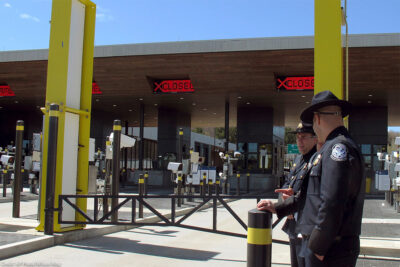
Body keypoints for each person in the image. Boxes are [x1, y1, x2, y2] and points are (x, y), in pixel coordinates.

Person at [258, 91, 365, 267]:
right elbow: (311, 195)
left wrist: (318, 248)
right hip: (327, 245)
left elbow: (332, 201)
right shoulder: (334, 147)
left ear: (318, 119)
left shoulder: (336, 148)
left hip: (329, 249)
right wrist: (277, 207)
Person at [279, 122, 317, 267]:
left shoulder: (316, 160)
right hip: (294, 225)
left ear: (315, 138)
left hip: (307, 226)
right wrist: (284, 202)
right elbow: (287, 183)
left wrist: (291, 206)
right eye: (298, 138)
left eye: (304, 137)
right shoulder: (298, 159)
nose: (299, 141)